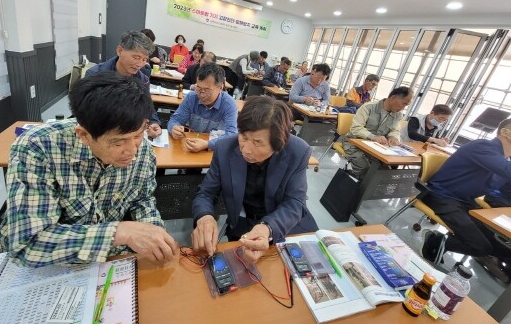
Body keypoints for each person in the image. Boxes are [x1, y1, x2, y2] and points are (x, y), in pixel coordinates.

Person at [0, 73, 178, 267]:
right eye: (118, 141)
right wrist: (119, 232)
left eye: (138, 135)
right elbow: (27, 246)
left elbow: (142, 199)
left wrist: (154, 231)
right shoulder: (38, 147)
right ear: (84, 135)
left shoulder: (143, 150)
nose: (132, 150)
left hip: (105, 262)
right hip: (47, 268)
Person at [191, 95, 318, 262]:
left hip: (286, 223)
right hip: (244, 221)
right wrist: (205, 217)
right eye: (243, 137)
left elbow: (295, 202)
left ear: (278, 143)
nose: (246, 150)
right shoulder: (224, 148)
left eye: (258, 143)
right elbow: (206, 193)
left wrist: (268, 228)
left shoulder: (298, 151)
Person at [420, 118, 511, 282]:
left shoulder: (501, 158)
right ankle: (438, 240)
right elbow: (506, 171)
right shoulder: (484, 147)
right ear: (506, 133)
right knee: (481, 246)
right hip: (442, 196)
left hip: (465, 201)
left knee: (499, 243)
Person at [85, 30, 162, 139]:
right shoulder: (95, 75)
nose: (140, 64)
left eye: (144, 59)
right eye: (136, 57)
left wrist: (154, 122)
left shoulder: (143, 79)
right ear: (120, 51)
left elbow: (147, 105)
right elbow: (89, 113)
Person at [341, 86, 413, 180]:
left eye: (406, 106)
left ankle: (369, 187)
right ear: (393, 97)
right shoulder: (368, 107)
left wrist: (393, 137)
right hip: (355, 143)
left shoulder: (398, 115)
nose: (403, 108)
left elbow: (395, 130)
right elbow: (356, 128)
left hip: (377, 147)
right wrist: (373, 137)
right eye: (403, 104)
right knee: (364, 166)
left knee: (385, 169)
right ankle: (360, 186)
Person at [168, 63, 238, 153]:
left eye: (207, 90)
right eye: (199, 88)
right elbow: (175, 119)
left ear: (220, 87)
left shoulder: (229, 104)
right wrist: (174, 128)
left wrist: (207, 144)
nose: (201, 94)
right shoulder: (191, 97)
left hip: (214, 151)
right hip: (191, 146)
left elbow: (232, 135)